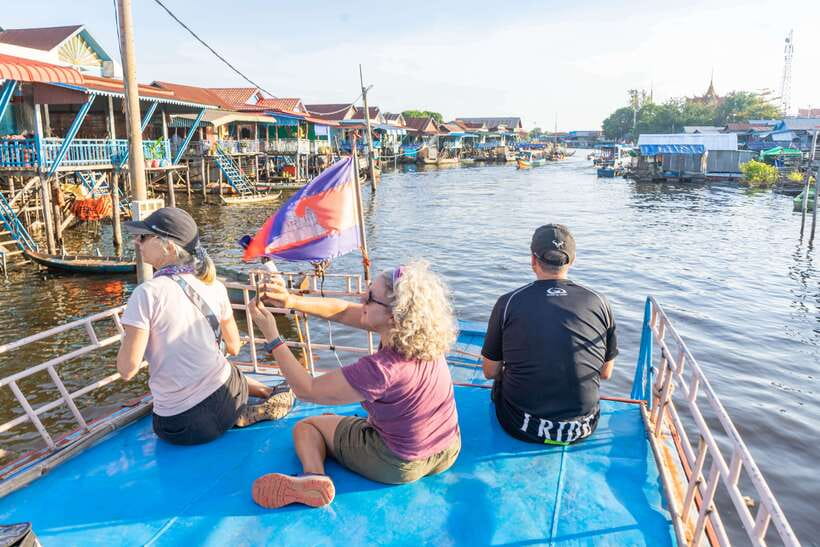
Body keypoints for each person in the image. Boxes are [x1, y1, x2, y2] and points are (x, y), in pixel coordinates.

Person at [248, 260, 461, 509]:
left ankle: (313, 476)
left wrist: (272, 337)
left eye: (370, 297)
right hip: (447, 449)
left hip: (398, 464)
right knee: (338, 419)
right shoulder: (422, 337)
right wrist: (290, 301)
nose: (362, 298)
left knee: (307, 428)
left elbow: (307, 389)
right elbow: (341, 311)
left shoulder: (381, 369)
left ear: (393, 317)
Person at [115, 207, 293, 446]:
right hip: (227, 400)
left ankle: (251, 405)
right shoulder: (215, 286)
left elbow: (127, 370)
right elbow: (233, 347)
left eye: (144, 236)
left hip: (179, 426)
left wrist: (129, 337)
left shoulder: (146, 293)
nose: (137, 241)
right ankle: (264, 394)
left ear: (168, 246)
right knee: (226, 368)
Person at [481, 224, 618, 446]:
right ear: (572, 261)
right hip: (582, 427)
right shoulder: (600, 302)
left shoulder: (508, 302)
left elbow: (489, 371)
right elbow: (605, 373)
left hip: (521, 425)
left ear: (533, 261)